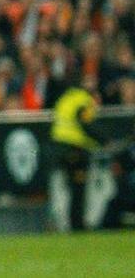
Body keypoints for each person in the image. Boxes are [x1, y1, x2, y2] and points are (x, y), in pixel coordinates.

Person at [50, 79, 104, 231]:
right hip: (75, 149)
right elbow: (85, 123)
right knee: (79, 188)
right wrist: (103, 140)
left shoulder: (66, 98)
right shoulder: (83, 100)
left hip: (60, 147)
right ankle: (77, 224)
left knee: (69, 188)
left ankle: (70, 223)